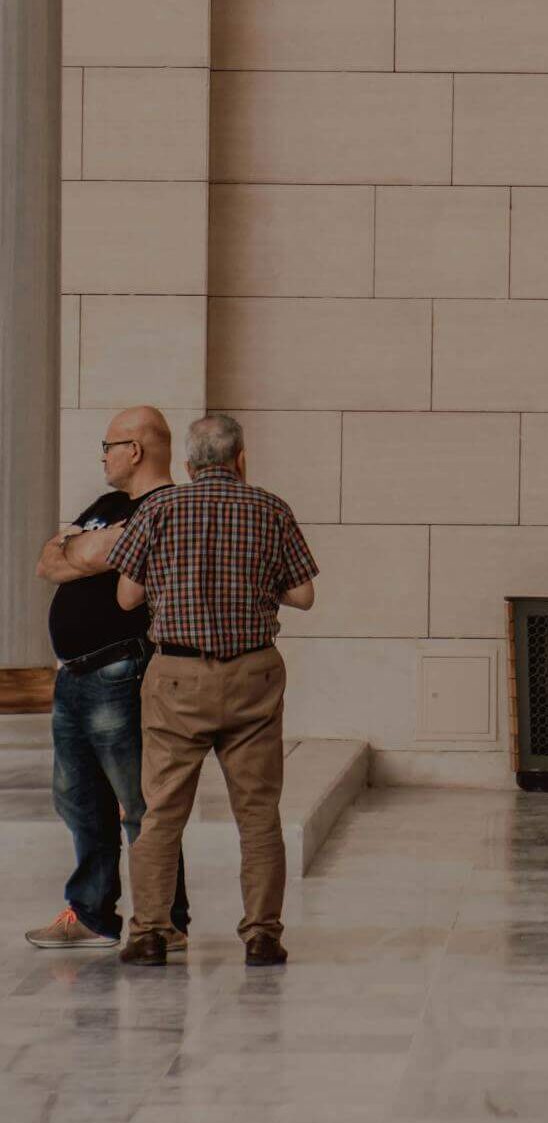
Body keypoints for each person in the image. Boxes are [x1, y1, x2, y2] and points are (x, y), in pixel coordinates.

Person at [108, 413, 318, 967]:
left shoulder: (157, 508)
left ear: (188, 465)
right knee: (257, 813)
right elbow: (303, 595)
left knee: (162, 812)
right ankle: (263, 936)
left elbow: (126, 598)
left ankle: (151, 932)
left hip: (176, 678)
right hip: (252, 676)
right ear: (241, 459)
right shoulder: (270, 508)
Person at [25, 407, 191, 952]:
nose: (103, 455)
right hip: (72, 676)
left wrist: (82, 545)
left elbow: (78, 551)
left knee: (140, 802)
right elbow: (49, 560)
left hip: (122, 670)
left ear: (136, 450)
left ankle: (165, 919)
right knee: (78, 799)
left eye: (109, 445)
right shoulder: (108, 508)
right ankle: (93, 913)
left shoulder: (167, 506)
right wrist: (87, 547)